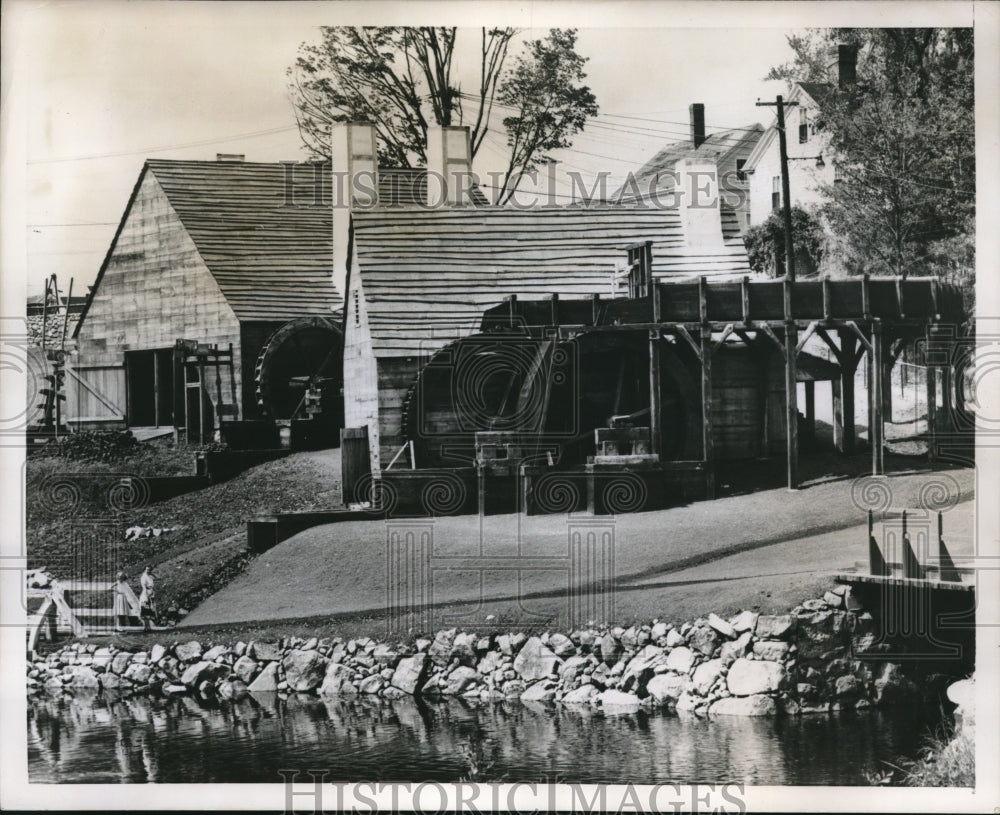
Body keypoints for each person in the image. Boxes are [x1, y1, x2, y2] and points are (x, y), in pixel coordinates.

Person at [139, 564, 158, 631]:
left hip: (151, 593)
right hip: (146, 594)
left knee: (149, 611)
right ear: (144, 569)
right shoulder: (143, 577)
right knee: (145, 611)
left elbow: (158, 578)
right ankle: (146, 627)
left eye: (149, 570)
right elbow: (144, 587)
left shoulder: (150, 577)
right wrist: (147, 596)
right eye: (147, 569)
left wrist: (152, 574)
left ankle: (148, 627)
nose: (148, 571)